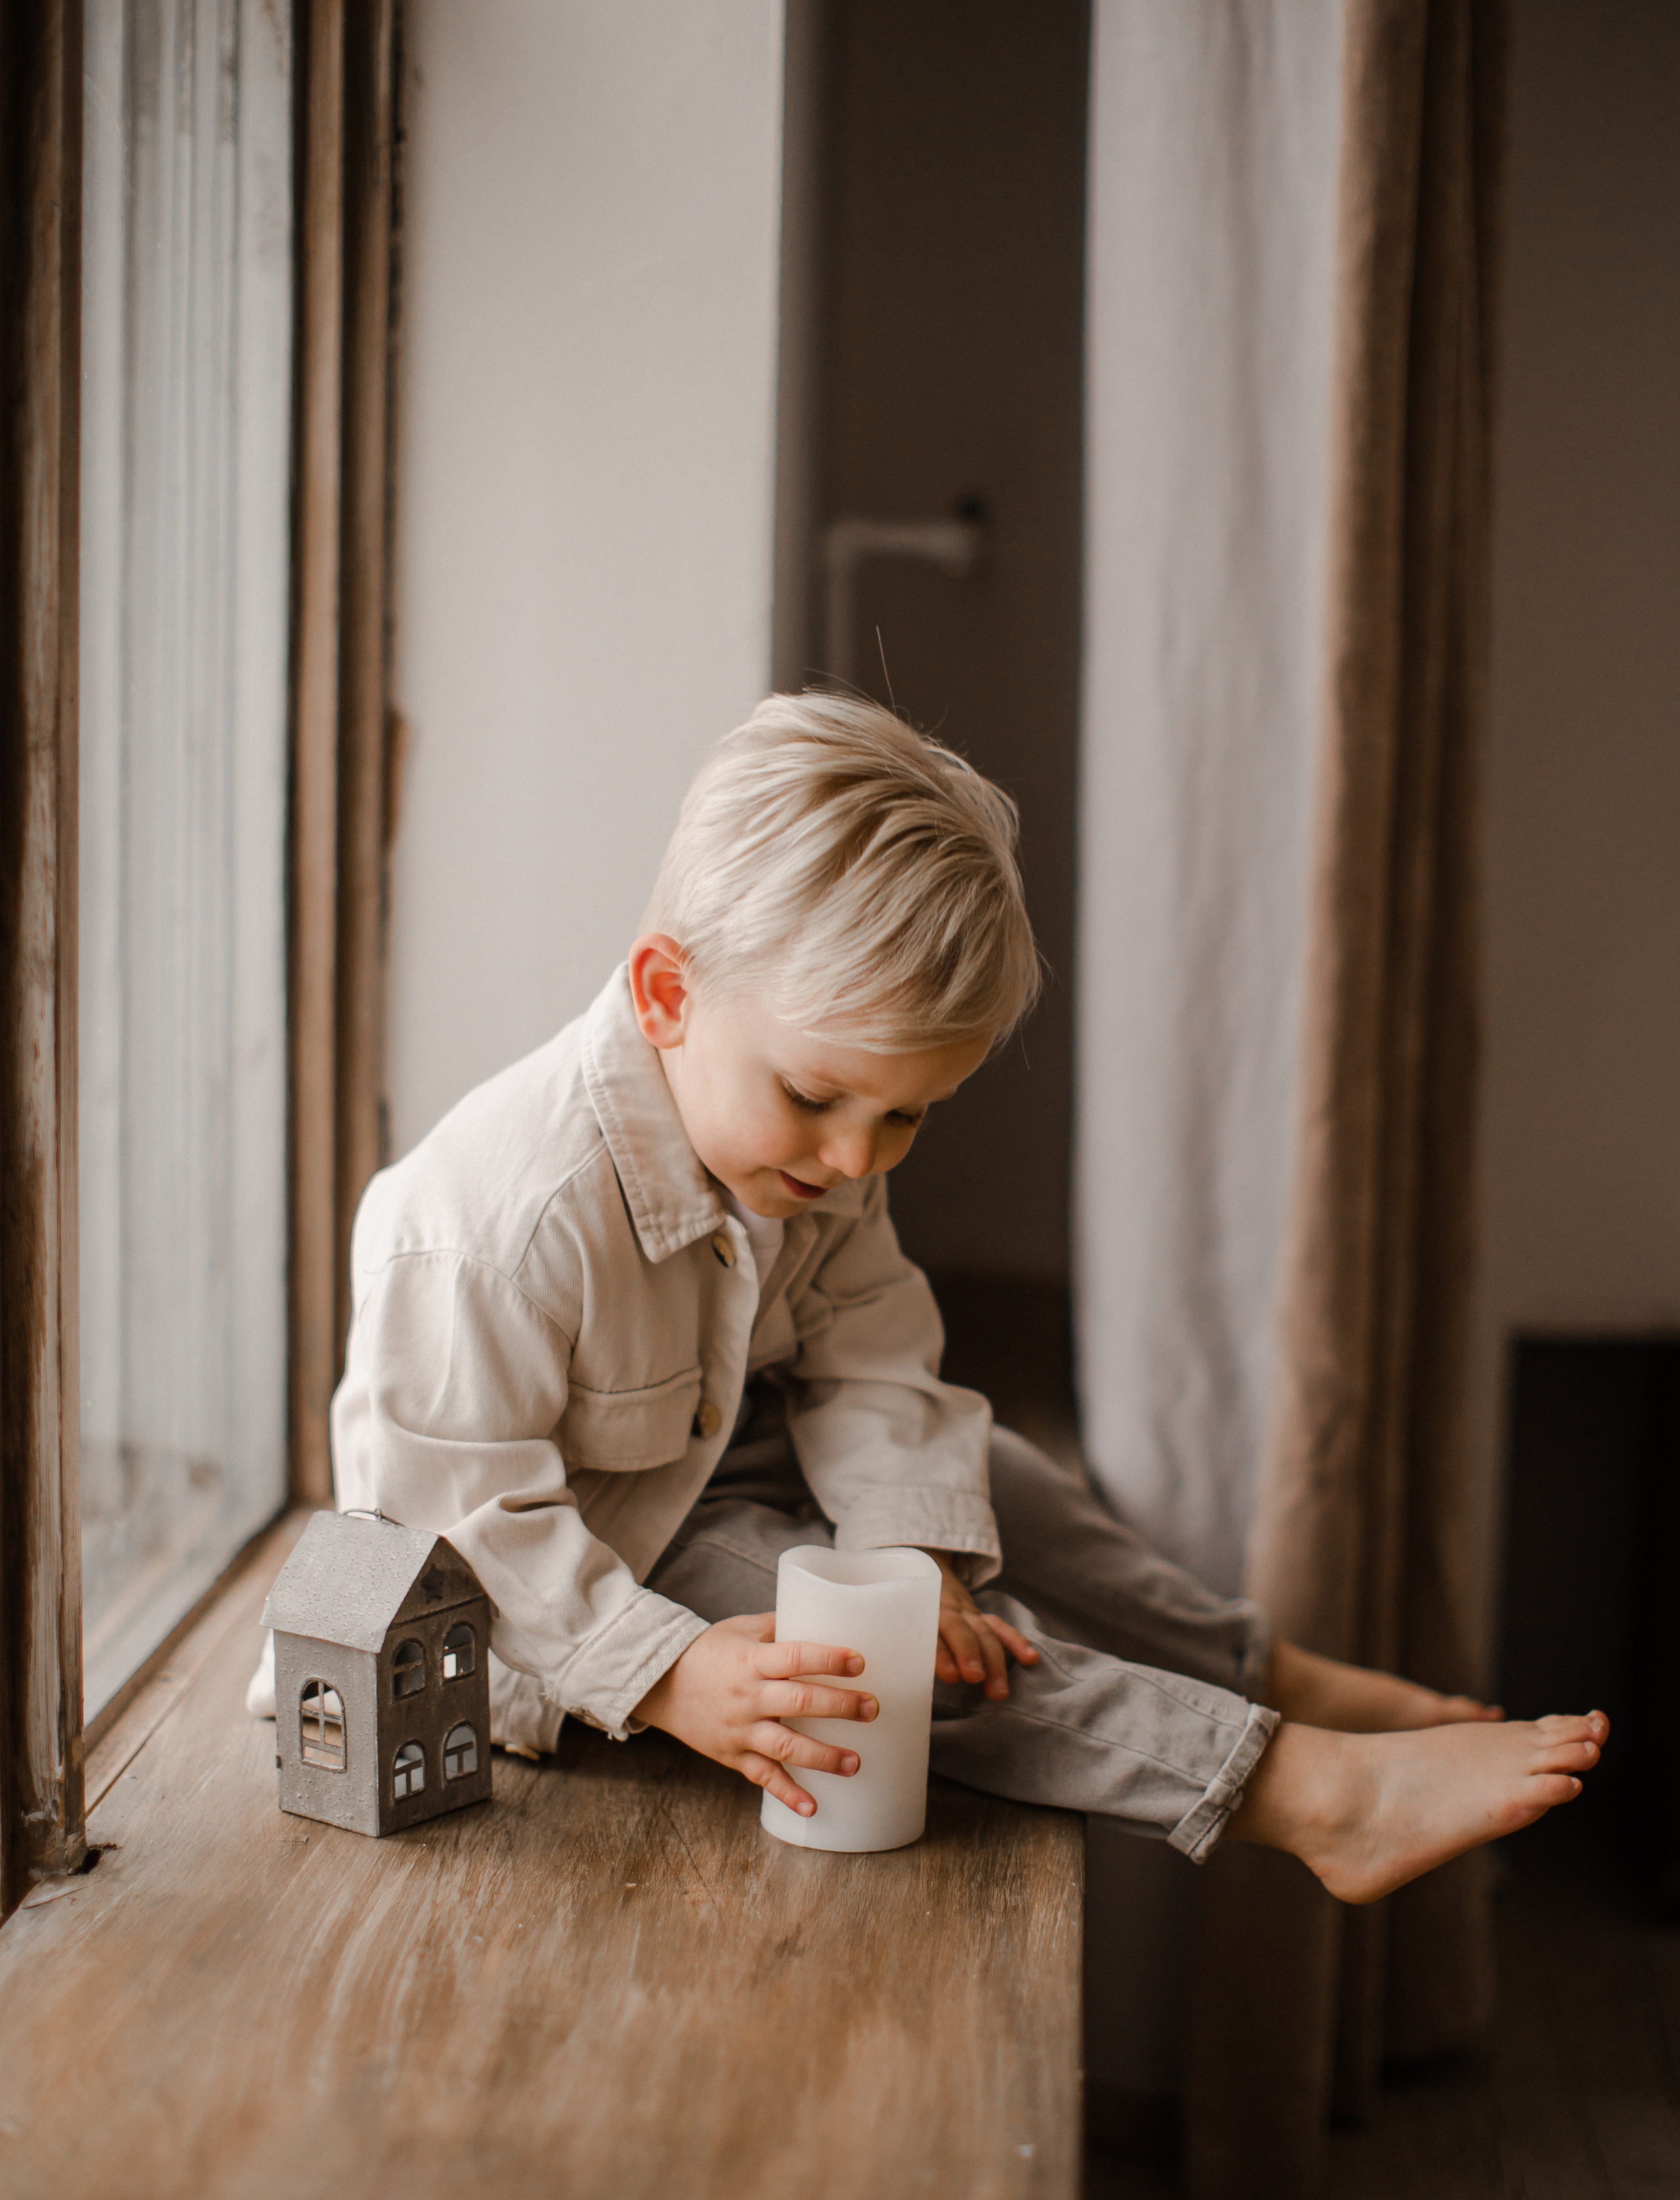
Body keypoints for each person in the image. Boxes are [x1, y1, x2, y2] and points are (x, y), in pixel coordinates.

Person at [247, 692, 1605, 1900]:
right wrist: (668, 1672)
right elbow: (452, 1528)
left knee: (1005, 1486)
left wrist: (918, 1552)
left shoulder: (808, 1147)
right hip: (586, 1576)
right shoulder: (493, 1221)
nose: (855, 1159)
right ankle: (1300, 1792)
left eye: (906, 1118)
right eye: (818, 1097)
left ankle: (1256, 1666)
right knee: (881, 1665)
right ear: (667, 995)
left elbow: (876, 1359)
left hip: (726, 1445)